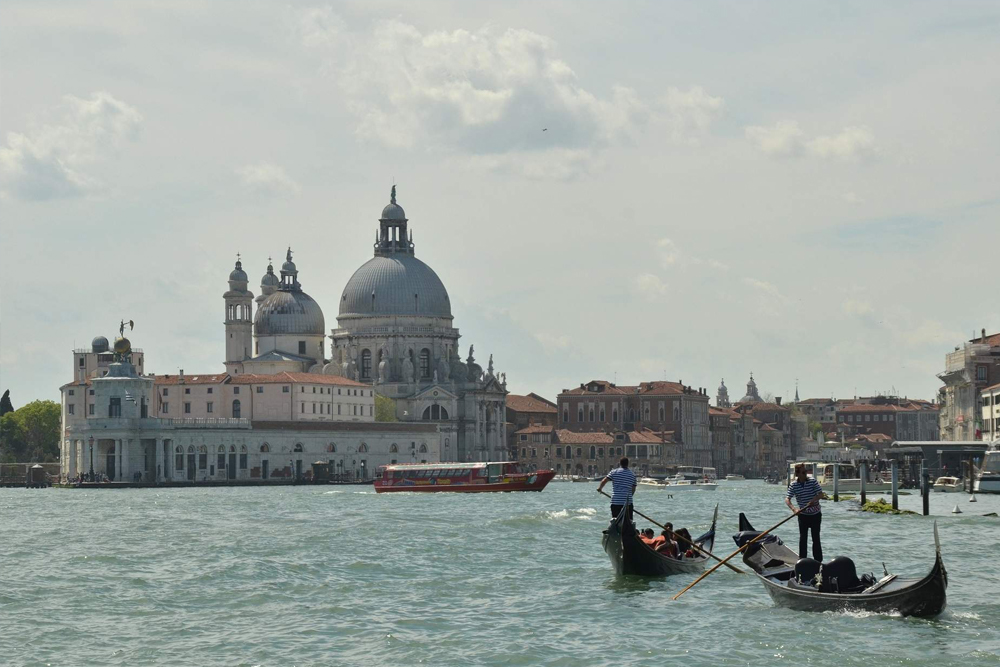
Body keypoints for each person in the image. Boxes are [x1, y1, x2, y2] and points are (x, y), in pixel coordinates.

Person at [786, 463, 823, 561]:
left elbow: (820, 494)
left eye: (806, 471)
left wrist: (813, 500)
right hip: (803, 515)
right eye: (803, 472)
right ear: (798, 474)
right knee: (803, 539)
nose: (806, 473)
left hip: (815, 514)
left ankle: (818, 561)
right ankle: (802, 561)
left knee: (816, 538)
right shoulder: (794, 485)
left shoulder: (812, 481)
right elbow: (787, 499)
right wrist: (794, 509)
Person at [597, 457, 637, 521]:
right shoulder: (632, 475)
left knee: (615, 519)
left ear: (620, 463)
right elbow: (633, 489)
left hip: (616, 501)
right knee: (629, 520)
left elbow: (604, 480)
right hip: (628, 502)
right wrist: (629, 496)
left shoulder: (614, 472)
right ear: (628, 464)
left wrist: (600, 488)